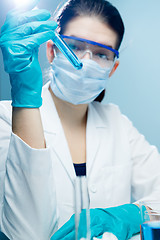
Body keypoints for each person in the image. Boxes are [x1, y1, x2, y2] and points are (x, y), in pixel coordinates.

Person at [0, 0, 160, 239]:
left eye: (101, 54)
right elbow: (26, 233)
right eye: (74, 46)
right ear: (52, 51)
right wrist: (25, 99)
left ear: (112, 68)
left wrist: (134, 214)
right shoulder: (5, 118)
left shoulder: (118, 124)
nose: (86, 62)